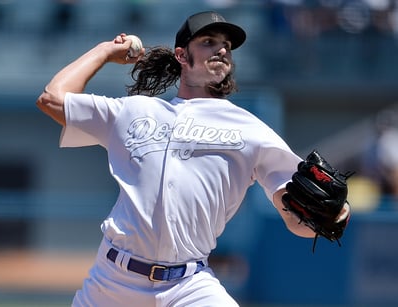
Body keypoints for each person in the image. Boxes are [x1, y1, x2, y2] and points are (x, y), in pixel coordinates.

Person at [36, 11, 349, 307]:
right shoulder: (134, 111)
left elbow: (297, 215)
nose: (222, 50)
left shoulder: (250, 129)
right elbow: (52, 99)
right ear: (182, 55)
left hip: (188, 286)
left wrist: (334, 214)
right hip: (113, 282)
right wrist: (105, 51)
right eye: (208, 42)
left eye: (226, 46)